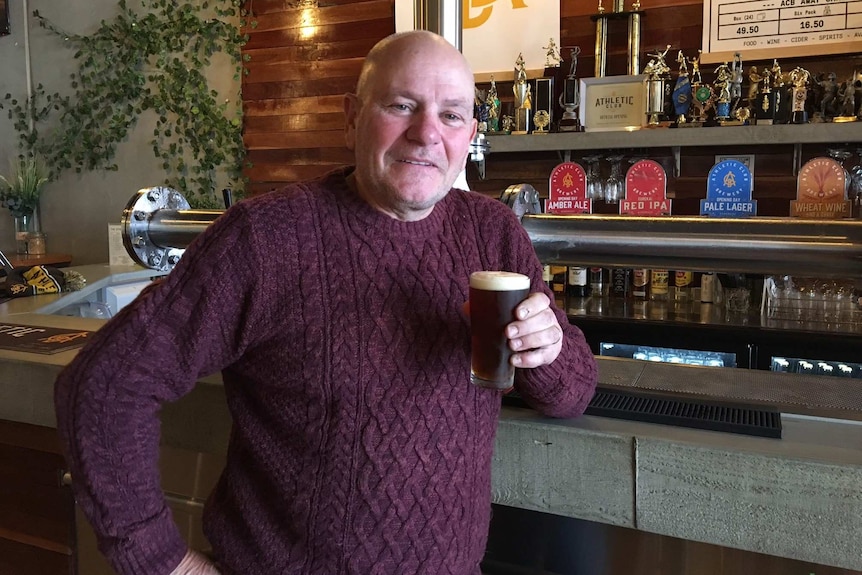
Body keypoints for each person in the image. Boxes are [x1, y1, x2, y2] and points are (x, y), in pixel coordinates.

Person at [53, 30, 598, 575]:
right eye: (401, 105)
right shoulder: (266, 239)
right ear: (351, 118)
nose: (426, 133)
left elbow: (573, 391)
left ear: (470, 136)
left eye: (451, 115)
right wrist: (161, 562)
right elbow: (104, 386)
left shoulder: (492, 233)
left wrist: (546, 353)